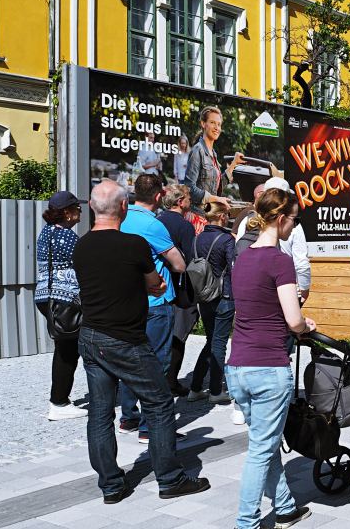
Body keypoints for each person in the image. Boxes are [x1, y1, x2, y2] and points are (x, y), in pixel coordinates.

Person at [73, 179, 210, 504]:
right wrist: (152, 287)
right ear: (123, 207)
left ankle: (110, 486)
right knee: (160, 404)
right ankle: (170, 479)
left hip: (90, 337)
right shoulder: (133, 246)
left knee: (101, 413)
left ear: (92, 207)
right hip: (126, 338)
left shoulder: (82, 246)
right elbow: (157, 285)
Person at [227, 188, 314, 529]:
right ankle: (246, 523)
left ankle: (286, 506)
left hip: (237, 366)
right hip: (267, 366)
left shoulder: (242, 257)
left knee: (265, 442)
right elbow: (293, 320)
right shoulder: (280, 261)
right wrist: (306, 323)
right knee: (261, 452)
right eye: (293, 219)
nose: (294, 226)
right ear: (280, 219)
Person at [118, 174, 187, 443]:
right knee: (157, 364)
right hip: (155, 304)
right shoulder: (152, 225)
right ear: (159, 196)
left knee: (129, 360)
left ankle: (128, 417)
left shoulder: (120, 219)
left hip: (126, 302)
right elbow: (179, 264)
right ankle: (150, 427)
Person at [35, 191, 87, 421]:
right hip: (65, 301)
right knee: (68, 352)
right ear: (67, 213)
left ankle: (60, 399)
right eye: (77, 208)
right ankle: (59, 402)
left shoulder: (47, 233)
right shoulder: (66, 237)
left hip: (47, 297)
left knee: (65, 349)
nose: (81, 212)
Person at [187, 201, 236, 404]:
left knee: (211, 340)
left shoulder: (197, 239)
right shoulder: (226, 239)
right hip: (223, 296)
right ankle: (215, 391)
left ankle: (196, 387)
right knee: (219, 343)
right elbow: (234, 268)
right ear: (223, 216)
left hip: (204, 296)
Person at [157, 184, 198, 397]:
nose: (191, 202)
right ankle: (171, 381)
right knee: (178, 336)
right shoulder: (185, 226)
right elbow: (192, 261)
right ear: (180, 201)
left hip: (157, 286)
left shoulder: (156, 222)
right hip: (180, 289)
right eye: (189, 198)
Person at [182, 106, 244, 220]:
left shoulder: (213, 154)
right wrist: (216, 199)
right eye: (212, 123)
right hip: (197, 217)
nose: (217, 128)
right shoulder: (198, 150)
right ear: (203, 124)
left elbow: (218, 186)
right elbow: (189, 188)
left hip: (210, 216)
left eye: (219, 124)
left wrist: (234, 163)